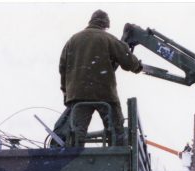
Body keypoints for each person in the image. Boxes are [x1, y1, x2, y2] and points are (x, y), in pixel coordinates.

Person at [58, 10, 142, 146]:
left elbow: (62, 69)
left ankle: (74, 160)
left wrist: (66, 93)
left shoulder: (72, 40)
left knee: (76, 136)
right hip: (104, 94)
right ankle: (117, 159)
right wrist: (138, 66)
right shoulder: (108, 38)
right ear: (105, 25)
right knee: (116, 133)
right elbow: (128, 62)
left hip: (78, 95)